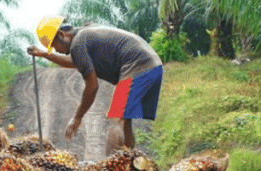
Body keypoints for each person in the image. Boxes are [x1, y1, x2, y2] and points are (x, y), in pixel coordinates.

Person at [27, 15, 162, 156]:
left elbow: (92, 86)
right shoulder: (84, 35)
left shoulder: (78, 43)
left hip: (138, 66)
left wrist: (78, 117)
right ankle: (129, 166)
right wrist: (44, 54)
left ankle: (111, 170)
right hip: (152, 65)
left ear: (62, 34)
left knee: (114, 119)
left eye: (55, 46)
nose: (57, 50)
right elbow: (75, 61)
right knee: (124, 120)